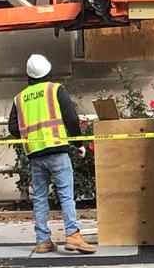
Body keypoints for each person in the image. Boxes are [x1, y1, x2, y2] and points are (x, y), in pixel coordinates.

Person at [7, 54, 96, 254]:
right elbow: (71, 118)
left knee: (39, 197)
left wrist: (31, 133)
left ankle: (42, 240)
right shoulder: (54, 90)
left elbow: (13, 127)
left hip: (35, 154)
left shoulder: (19, 98)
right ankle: (73, 235)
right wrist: (78, 143)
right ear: (48, 71)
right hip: (57, 151)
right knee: (65, 194)